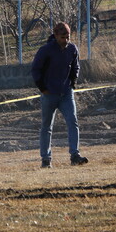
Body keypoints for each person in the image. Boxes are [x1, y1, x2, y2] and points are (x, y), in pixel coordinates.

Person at [31, 22, 88, 169]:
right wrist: (43, 88)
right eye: (63, 37)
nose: (66, 40)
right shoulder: (45, 51)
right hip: (49, 95)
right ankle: (46, 159)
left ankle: (75, 155)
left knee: (72, 121)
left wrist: (73, 82)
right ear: (55, 36)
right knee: (46, 126)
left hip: (66, 93)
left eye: (68, 37)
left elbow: (76, 66)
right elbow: (36, 70)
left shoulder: (72, 49)